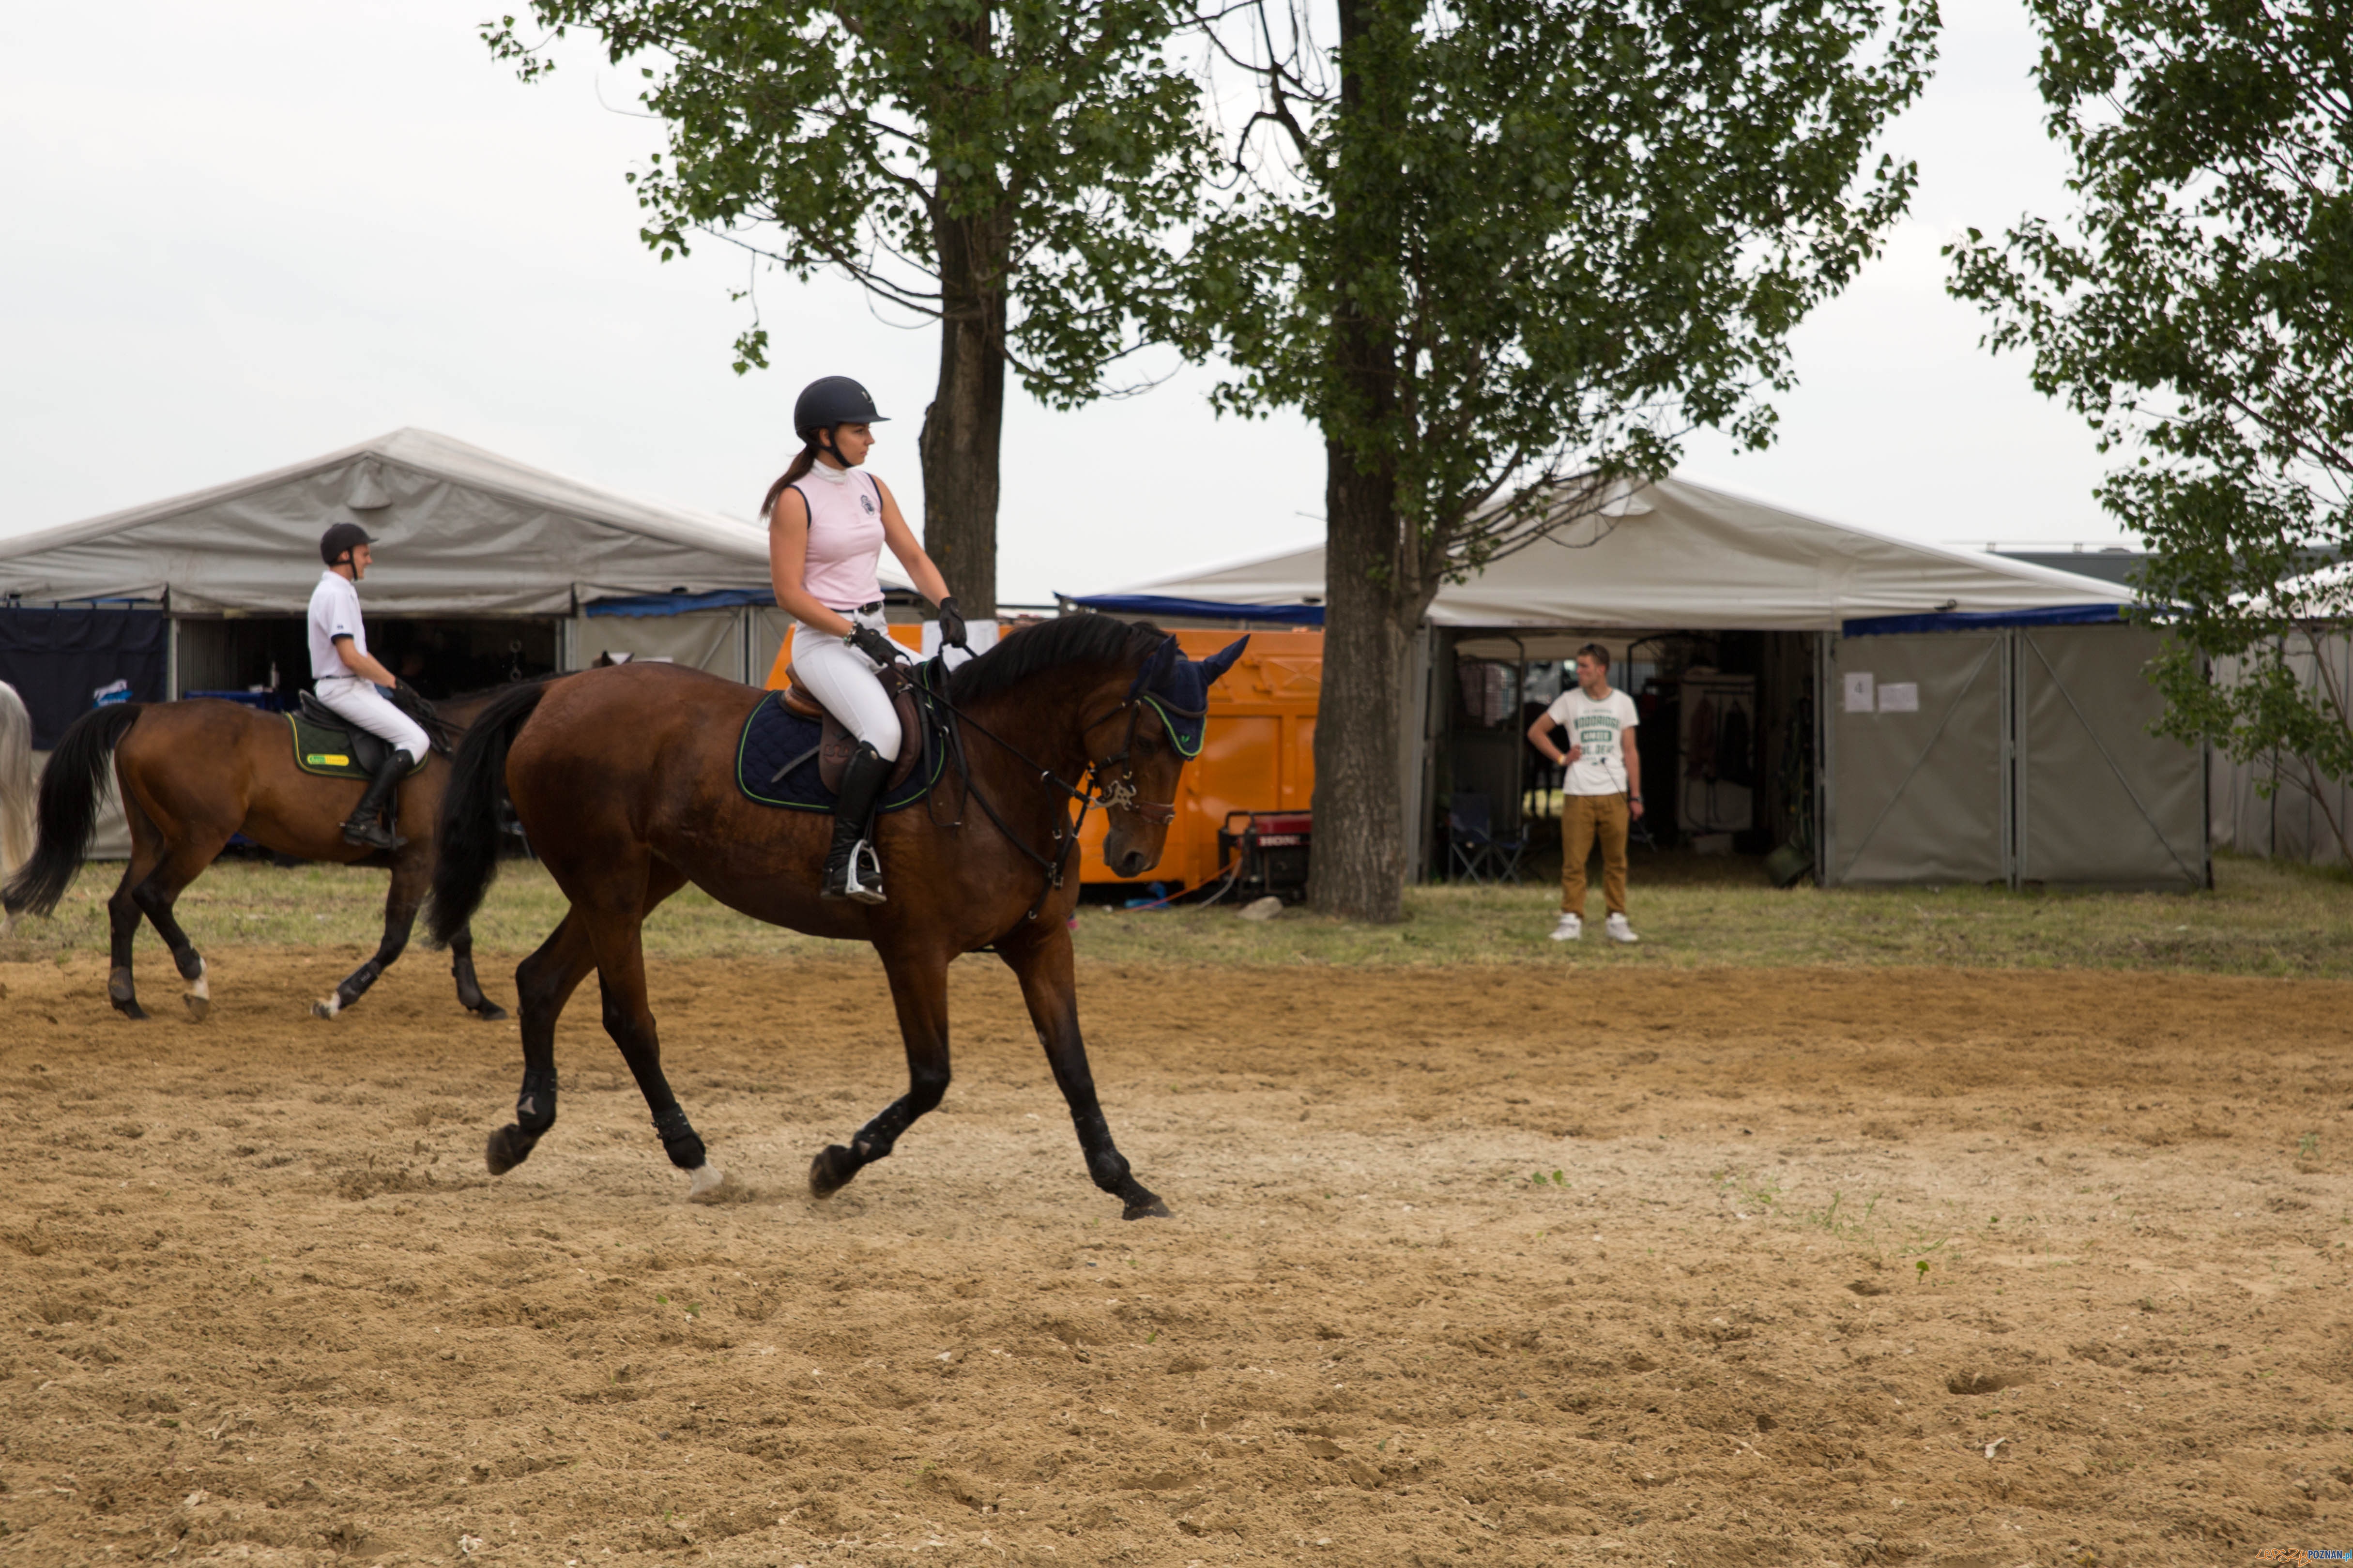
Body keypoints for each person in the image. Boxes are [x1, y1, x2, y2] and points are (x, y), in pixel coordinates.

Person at [764, 375, 966, 904]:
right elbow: (789, 593)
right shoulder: (795, 499)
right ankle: (845, 859)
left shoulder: (872, 488)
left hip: (875, 634)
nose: (870, 439)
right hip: (824, 643)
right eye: (860, 431)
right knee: (883, 730)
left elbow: (914, 558)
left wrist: (946, 604)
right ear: (823, 435)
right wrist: (854, 632)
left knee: (955, 699)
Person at [308, 522, 431, 851]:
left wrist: (400, 687)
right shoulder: (335, 594)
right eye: (365, 554)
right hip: (343, 688)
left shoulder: (342, 590)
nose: (370, 561)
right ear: (345, 555)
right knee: (416, 739)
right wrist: (393, 683)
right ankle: (363, 819)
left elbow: (362, 654)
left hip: (356, 685)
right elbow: (350, 657)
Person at [1526, 643, 1643, 944]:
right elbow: (1536, 731)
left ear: (1602, 670)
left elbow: (1630, 751)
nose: (1578, 672)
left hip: (1614, 790)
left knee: (1616, 859)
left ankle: (1617, 918)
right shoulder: (1569, 701)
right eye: (1577, 666)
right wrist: (1562, 758)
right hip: (1578, 791)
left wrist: (1636, 794)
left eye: (1584, 667)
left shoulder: (1623, 703)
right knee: (1574, 860)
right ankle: (1571, 919)